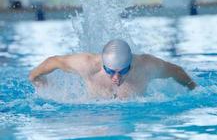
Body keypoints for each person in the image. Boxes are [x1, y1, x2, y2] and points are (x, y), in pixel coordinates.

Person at [29, 39, 196, 98]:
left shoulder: (146, 66)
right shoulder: (87, 65)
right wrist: (34, 77)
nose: (116, 77)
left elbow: (176, 71)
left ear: (131, 64)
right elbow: (54, 61)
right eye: (110, 71)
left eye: (123, 71)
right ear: (103, 65)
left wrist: (194, 89)